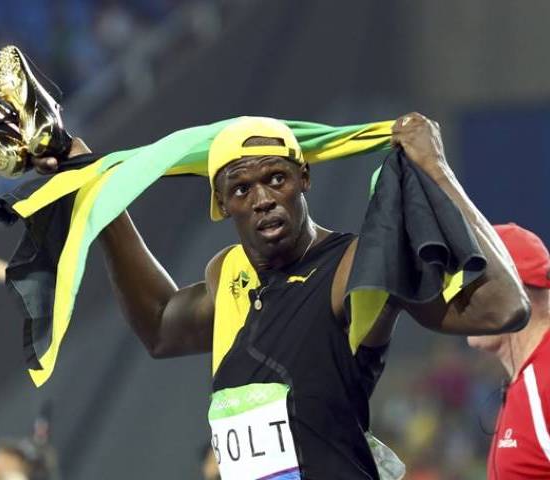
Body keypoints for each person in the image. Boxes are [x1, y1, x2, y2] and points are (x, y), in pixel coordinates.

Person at [26, 112, 529, 479]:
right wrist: (91, 185)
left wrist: (435, 167)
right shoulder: (230, 275)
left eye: (276, 178)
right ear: (222, 204)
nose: (263, 197)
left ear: (303, 179)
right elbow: (159, 325)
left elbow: (505, 308)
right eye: (242, 188)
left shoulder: (353, 266)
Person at [468, 223, 550, 479]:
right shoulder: (528, 379)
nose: (460, 300)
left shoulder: (546, 380)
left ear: (516, 292)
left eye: (473, 286)